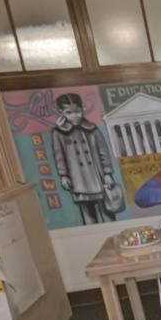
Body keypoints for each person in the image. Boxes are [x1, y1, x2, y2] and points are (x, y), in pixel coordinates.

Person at [51, 93, 117, 225]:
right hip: (78, 179)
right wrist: (63, 176)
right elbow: (59, 157)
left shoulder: (92, 129)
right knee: (87, 213)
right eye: (69, 112)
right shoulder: (58, 133)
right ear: (61, 112)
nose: (74, 115)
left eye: (77, 111)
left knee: (108, 212)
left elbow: (103, 152)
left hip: (98, 177)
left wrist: (108, 173)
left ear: (83, 109)